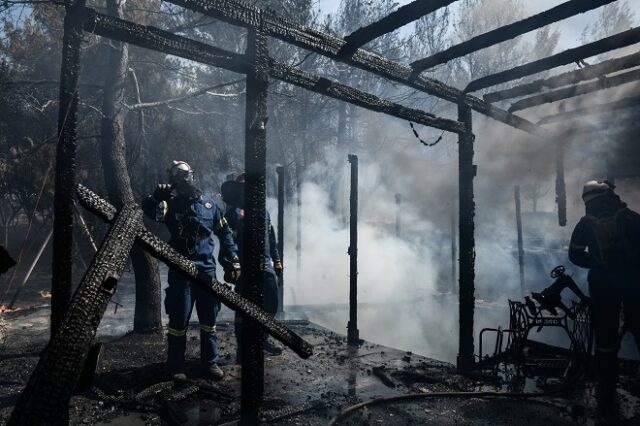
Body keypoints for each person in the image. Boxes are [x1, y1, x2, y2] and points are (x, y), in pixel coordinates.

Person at [142, 161, 240, 381]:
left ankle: (210, 363)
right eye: (178, 177)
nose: (184, 180)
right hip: (180, 271)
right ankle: (176, 365)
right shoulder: (170, 204)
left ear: (193, 176)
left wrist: (232, 260)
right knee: (178, 321)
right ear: (174, 181)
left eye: (186, 175)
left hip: (206, 271)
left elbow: (225, 234)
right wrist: (155, 197)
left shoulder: (210, 205)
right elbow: (150, 211)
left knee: (209, 320)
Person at [568, 180, 640, 419]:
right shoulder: (631, 218)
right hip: (633, 284)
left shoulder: (586, 224)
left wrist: (597, 264)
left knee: (605, 339)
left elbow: (575, 255)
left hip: (602, 286)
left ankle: (606, 386)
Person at [220, 174, 283, 360]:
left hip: (266, 265)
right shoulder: (233, 213)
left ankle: (262, 339)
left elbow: (271, 239)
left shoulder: (263, 212)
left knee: (271, 304)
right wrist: (229, 265)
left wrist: (277, 261)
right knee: (243, 309)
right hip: (245, 268)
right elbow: (226, 241)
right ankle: (243, 349)